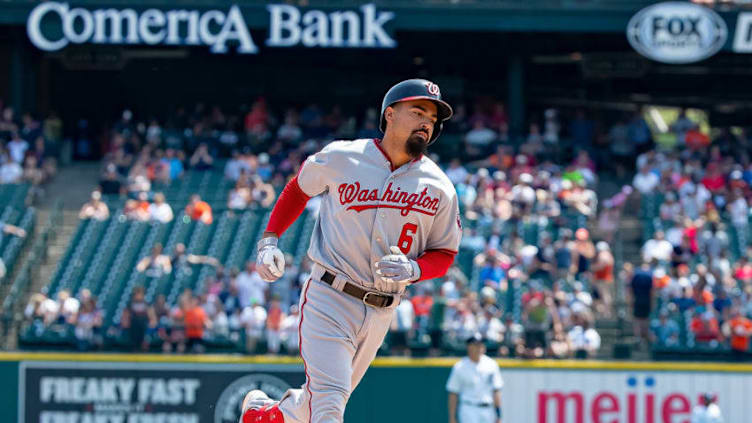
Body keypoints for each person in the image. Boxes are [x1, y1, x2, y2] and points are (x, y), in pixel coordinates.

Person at [240, 79, 461, 423]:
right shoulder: (343, 157)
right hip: (331, 295)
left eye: (433, 119)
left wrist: (416, 270)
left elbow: (445, 253)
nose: (427, 123)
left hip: (383, 310)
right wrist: (270, 239)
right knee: (330, 404)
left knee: (315, 402)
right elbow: (298, 189)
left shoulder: (440, 187)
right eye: (418, 112)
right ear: (389, 114)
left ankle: (263, 415)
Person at [446, 333, 503, 423]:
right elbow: (453, 393)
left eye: (480, 344)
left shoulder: (491, 364)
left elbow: (496, 390)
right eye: (475, 345)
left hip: (488, 409)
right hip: (469, 408)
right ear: (469, 347)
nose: (479, 348)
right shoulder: (460, 366)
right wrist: (452, 417)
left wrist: (499, 415)